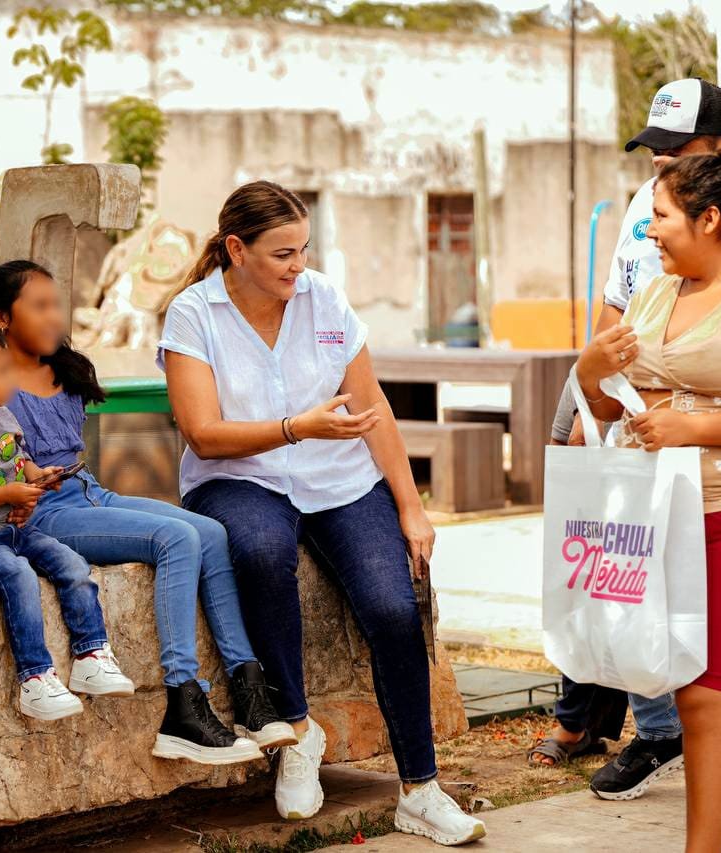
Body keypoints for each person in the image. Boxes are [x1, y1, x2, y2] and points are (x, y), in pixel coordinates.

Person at [160, 181, 486, 846]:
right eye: (282, 253)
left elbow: (372, 408)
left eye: (303, 249)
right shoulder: (193, 314)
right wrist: (295, 427)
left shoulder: (324, 300)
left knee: (395, 607)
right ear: (236, 249)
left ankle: (420, 790)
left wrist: (412, 508)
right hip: (238, 475)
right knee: (258, 548)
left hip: (338, 478)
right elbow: (203, 433)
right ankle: (298, 732)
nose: (297, 265)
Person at [540, 79, 721, 799]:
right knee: (644, 594)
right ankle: (663, 734)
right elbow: (616, 311)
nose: (658, 163)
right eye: (655, 150)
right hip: (653, 463)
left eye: (677, 150)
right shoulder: (650, 206)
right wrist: (590, 411)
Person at [0, 259, 293, 766]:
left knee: (210, 532)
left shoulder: (68, 371)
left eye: (57, 304)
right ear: (1, 318)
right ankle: (183, 702)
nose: (54, 316)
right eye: (38, 306)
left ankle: (248, 687)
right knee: (176, 538)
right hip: (42, 513)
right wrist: (21, 481)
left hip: (89, 492)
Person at [0, 320, 135, 721]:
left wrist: (37, 475)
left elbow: (18, 461)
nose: (13, 377)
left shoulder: (2, 415)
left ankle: (91, 653)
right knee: (18, 575)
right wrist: (8, 494)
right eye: (2, 370)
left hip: (17, 529)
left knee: (71, 563)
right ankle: (35, 678)